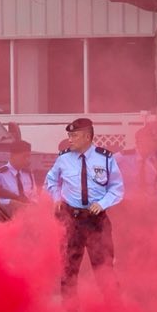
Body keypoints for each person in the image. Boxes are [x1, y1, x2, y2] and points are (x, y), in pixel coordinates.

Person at [47, 117, 123, 294]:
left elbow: (117, 188)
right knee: (68, 272)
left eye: (74, 135)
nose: (70, 139)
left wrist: (102, 203)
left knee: (104, 270)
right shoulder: (63, 158)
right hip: (71, 220)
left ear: (87, 137)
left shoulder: (105, 158)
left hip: (96, 220)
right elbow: (51, 180)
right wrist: (57, 198)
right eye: (69, 135)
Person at [0, 140, 38, 222]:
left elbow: (34, 195)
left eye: (29, 156)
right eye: (24, 156)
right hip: (6, 219)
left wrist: (32, 204)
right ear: (13, 156)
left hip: (27, 219)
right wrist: (10, 203)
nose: (28, 160)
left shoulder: (28, 174)